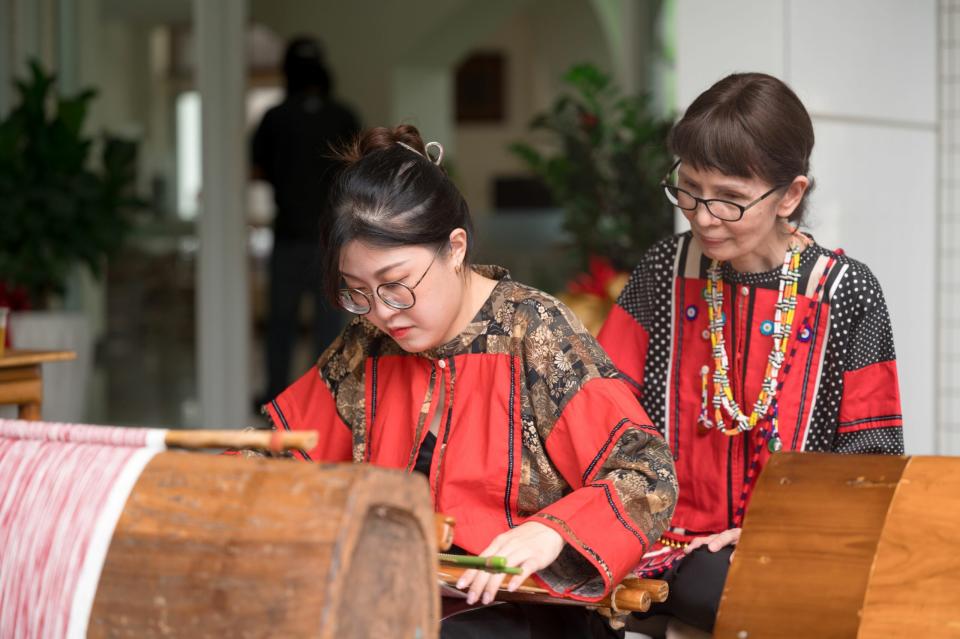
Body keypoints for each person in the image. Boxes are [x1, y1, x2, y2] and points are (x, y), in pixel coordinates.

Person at [261, 124, 678, 638]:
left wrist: (551, 532)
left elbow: (647, 471)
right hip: (402, 600)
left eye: (395, 286)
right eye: (357, 293)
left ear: (455, 247)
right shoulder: (366, 345)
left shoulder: (535, 332)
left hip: (527, 610)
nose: (382, 314)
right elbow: (279, 459)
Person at [597, 72, 904, 636]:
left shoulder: (847, 292)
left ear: (791, 194)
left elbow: (872, 455)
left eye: (731, 200)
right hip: (655, 540)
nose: (704, 216)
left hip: (782, 546)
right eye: (689, 189)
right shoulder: (665, 270)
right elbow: (604, 409)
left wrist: (774, 528)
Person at [252, 36, 361, 403]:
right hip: (333, 239)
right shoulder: (343, 117)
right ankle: (325, 401)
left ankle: (276, 399)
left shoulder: (274, 118)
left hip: (288, 235)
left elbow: (258, 169)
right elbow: (357, 177)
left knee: (280, 325)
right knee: (329, 329)